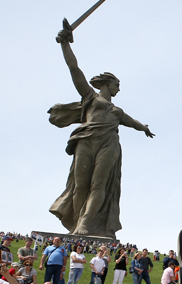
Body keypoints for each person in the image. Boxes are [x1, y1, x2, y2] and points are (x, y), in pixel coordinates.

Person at [49, 25, 154, 238]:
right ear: (107, 83)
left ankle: (86, 224)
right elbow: (74, 68)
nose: (119, 89)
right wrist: (65, 44)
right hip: (86, 140)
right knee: (80, 186)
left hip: (108, 145)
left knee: (99, 185)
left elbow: (132, 121)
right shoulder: (90, 97)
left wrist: (144, 128)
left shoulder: (117, 111)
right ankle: (78, 223)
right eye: (117, 84)